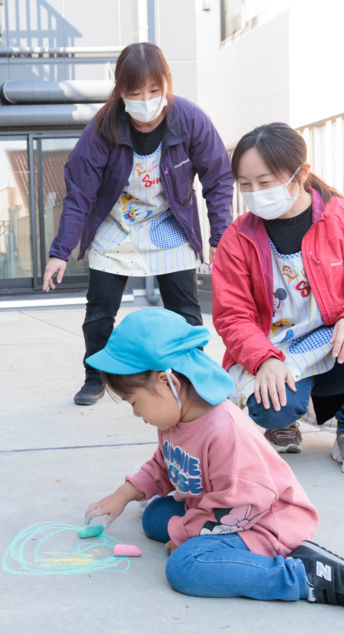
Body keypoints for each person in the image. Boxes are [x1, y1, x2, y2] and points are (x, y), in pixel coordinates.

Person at [83, 308, 344, 614]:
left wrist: (185, 535)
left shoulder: (224, 430)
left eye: (135, 403)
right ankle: (195, 533)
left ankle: (301, 577)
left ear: (166, 381)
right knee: (155, 516)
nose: (137, 414)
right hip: (219, 505)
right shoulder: (174, 420)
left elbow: (238, 505)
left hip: (262, 521)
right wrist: (123, 495)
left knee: (186, 568)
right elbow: (164, 464)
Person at [41, 42, 233, 406]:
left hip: (168, 220)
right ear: (120, 91)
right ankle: (94, 375)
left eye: (154, 90)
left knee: (185, 311)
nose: (146, 100)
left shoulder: (190, 119)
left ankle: (193, 377)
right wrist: (60, 251)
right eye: (135, 92)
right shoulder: (103, 128)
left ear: (166, 85)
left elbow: (218, 178)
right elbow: (79, 193)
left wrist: (219, 236)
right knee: (100, 310)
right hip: (117, 222)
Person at [211, 123, 344, 476]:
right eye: (245, 185)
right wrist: (263, 360)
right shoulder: (236, 238)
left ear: (302, 174)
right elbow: (232, 316)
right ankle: (283, 421)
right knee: (271, 409)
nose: (255, 193)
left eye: (266, 182)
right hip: (278, 352)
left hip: (336, 345)